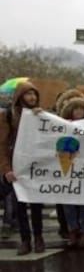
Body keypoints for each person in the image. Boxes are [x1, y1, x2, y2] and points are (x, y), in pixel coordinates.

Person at [0, 82, 46, 255]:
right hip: (16, 167)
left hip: (36, 166)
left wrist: (41, 117)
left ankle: (39, 238)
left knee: (36, 205)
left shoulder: (40, 114)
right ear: (20, 96)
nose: (32, 98)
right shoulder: (8, 116)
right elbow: (2, 144)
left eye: (34, 94)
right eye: (28, 94)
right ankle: (25, 240)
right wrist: (6, 169)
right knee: (20, 206)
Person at [60, 96, 84, 249]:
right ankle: (73, 230)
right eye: (75, 108)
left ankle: (83, 232)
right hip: (68, 169)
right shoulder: (62, 125)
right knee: (67, 202)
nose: (78, 111)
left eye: (81, 108)